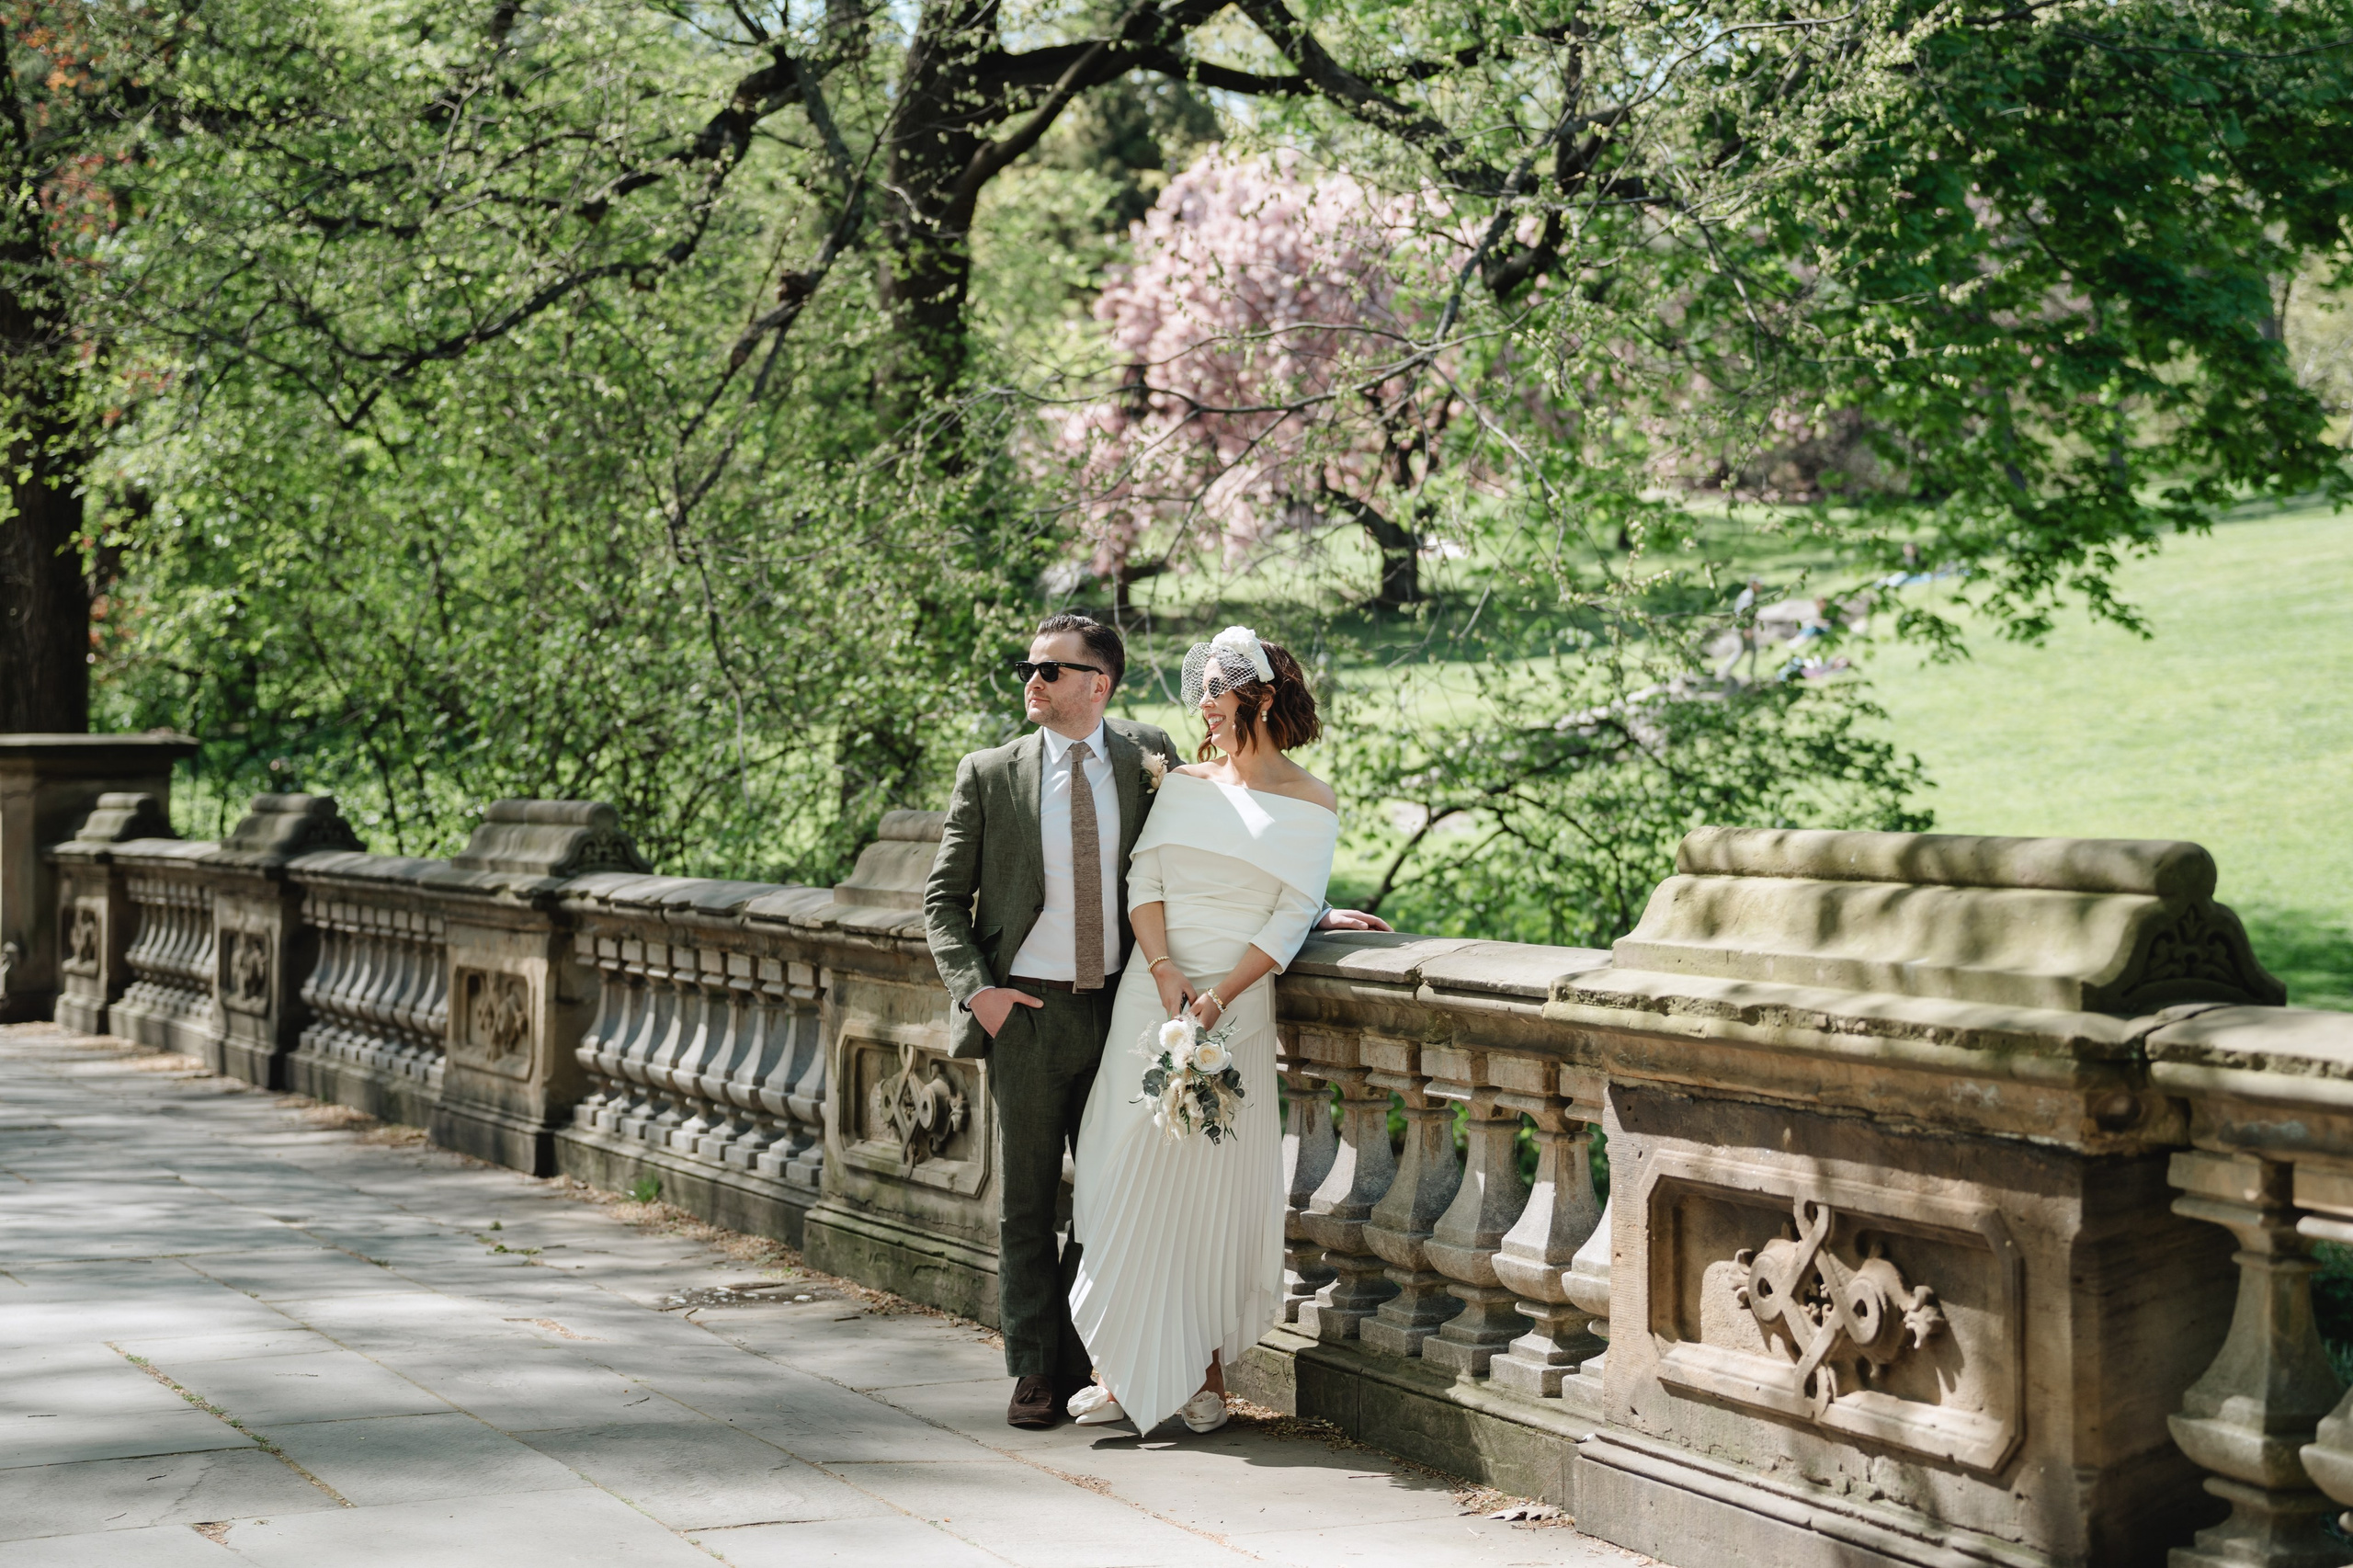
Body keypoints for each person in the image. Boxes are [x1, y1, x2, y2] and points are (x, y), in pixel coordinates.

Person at [924, 614, 1388, 1432]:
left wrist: (1306, 923)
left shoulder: (1161, 759)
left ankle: (1172, 1373)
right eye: (1028, 667)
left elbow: (1268, 882)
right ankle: (1065, 1371)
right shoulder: (1034, 774)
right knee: (1071, 1194)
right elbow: (1132, 879)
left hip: (1180, 1006)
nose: (1031, 680)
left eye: (1049, 669)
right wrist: (986, 993)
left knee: (1179, 1192)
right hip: (1085, 1004)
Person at [1063, 625, 1339, 1437]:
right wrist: (1163, 974)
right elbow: (1144, 877)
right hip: (1155, 1002)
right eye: (1203, 692)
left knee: (1206, 1195)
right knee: (1117, 1179)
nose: (1203, 706)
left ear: (1259, 694)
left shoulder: (1311, 799)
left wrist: (1220, 996)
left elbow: (1291, 910)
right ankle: (1117, 1371)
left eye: (1216, 690)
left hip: (1236, 1011)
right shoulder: (1181, 783)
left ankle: (1202, 1375)